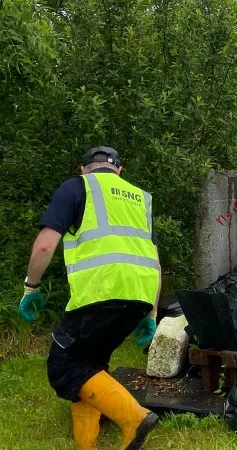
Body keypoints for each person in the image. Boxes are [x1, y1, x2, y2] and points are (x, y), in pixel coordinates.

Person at [18, 147, 161, 450]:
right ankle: (87, 446)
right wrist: (150, 314)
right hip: (140, 294)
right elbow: (155, 261)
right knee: (89, 367)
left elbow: (45, 246)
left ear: (83, 169)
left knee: (65, 366)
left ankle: (136, 418)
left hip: (100, 292)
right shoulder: (141, 198)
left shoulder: (76, 187)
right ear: (119, 171)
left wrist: (31, 287)